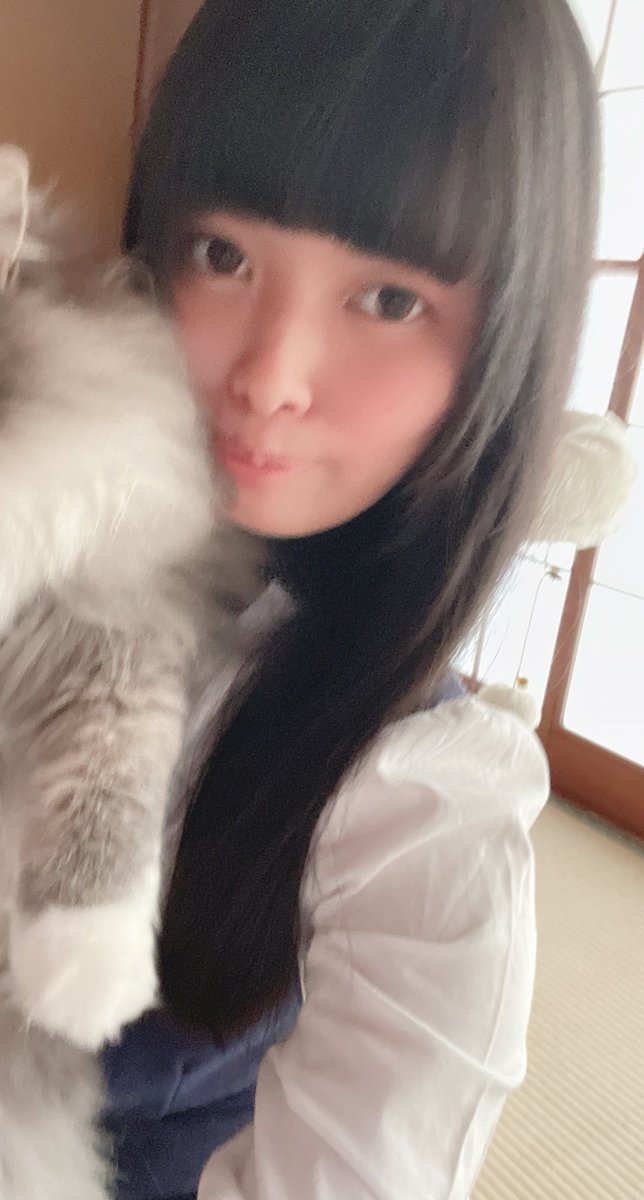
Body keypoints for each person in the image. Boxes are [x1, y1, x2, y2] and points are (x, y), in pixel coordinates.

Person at [100, 1, 599, 1197]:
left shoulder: (420, 806)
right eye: (223, 256)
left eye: (388, 300)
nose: (267, 376)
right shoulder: (58, 547)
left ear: (507, 340)